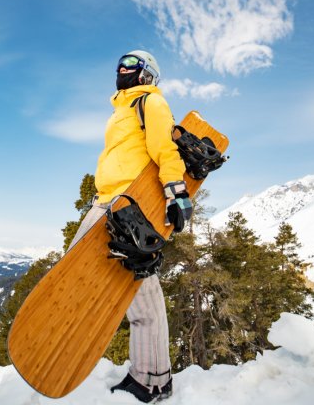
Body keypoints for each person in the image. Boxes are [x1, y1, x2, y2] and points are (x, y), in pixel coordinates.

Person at [67, 50, 193, 403]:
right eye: (120, 63)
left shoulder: (150, 103)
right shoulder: (122, 109)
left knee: (140, 289)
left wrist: (176, 191)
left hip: (128, 208)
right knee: (76, 271)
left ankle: (153, 378)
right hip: (105, 202)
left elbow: (165, 149)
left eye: (132, 65)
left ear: (147, 75)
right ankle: (144, 372)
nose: (123, 68)